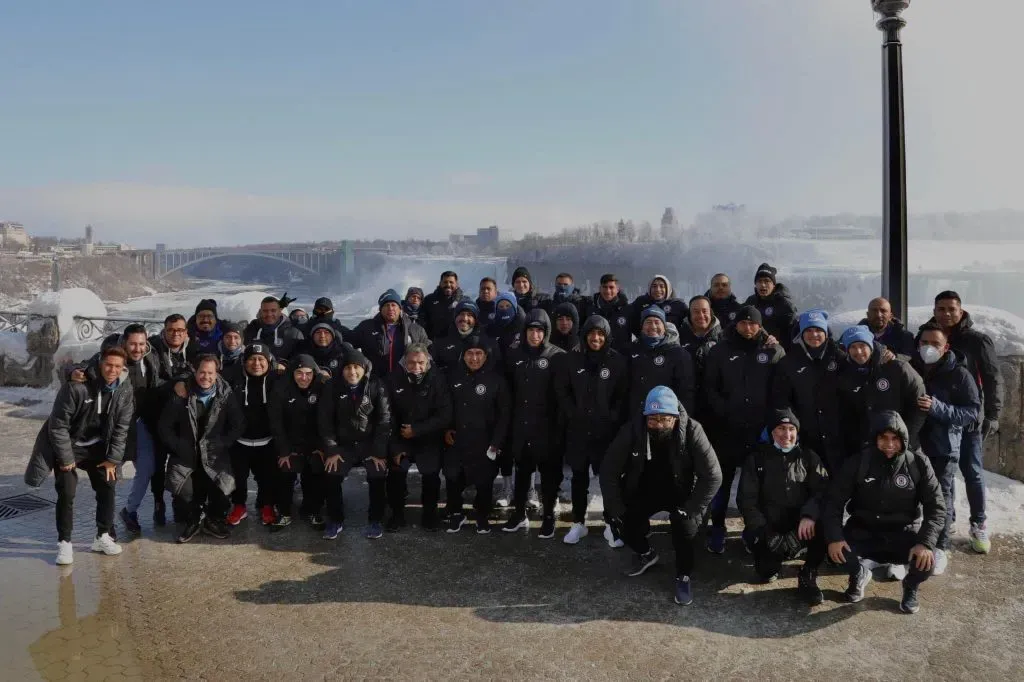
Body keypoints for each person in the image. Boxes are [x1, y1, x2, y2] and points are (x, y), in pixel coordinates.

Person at [601, 386, 722, 606]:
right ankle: (646, 553)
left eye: (665, 419)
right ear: (644, 416)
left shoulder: (694, 430)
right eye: (653, 420)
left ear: (675, 416)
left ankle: (683, 575)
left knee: (685, 529)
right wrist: (616, 506)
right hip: (644, 488)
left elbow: (713, 475)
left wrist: (692, 507)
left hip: (682, 491)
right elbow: (608, 470)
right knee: (619, 518)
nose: (659, 425)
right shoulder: (632, 430)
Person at [825, 411, 945, 614]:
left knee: (927, 561)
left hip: (903, 533)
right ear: (875, 438)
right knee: (834, 552)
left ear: (904, 440)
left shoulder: (918, 464)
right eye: (883, 438)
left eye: (895, 439)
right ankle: (858, 574)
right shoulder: (858, 462)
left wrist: (925, 543)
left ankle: (910, 587)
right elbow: (833, 503)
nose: (889, 444)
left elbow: (937, 507)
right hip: (864, 531)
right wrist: (835, 538)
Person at [26, 347, 134, 565]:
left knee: (108, 484)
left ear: (123, 368)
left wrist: (113, 459)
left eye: (117, 366)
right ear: (100, 364)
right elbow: (57, 426)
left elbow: (122, 427)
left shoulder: (124, 389)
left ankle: (102, 536)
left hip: (98, 448)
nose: (112, 370)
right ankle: (64, 543)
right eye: (108, 365)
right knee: (67, 490)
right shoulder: (77, 386)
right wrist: (66, 458)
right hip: (71, 445)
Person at [703, 306, 785, 553]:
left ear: (760, 326)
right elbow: (709, 389)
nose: (748, 328)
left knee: (757, 486)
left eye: (753, 323)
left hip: (759, 431)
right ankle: (717, 527)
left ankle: (754, 531)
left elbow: (780, 390)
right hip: (727, 430)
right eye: (744, 323)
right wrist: (726, 412)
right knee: (721, 482)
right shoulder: (720, 350)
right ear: (736, 325)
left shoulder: (771, 350)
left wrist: (770, 421)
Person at [929, 290, 1003, 554]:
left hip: (968, 419)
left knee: (971, 472)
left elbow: (993, 378)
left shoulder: (976, 341)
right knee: (941, 475)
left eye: (951, 308)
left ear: (961, 311)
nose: (946, 313)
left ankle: (979, 522)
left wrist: (993, 414)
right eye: (941, 309)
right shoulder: (929, 335)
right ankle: (945, 520)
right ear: (935, 310)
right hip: (939, 420)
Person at [911, 322, 981, 574]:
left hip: (943, 448)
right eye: (924, 343)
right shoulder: (911, 367)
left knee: (940, 498)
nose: (929, 348)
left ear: (946, 347)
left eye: (935, 344)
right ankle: (911, 544)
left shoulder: (959, 374)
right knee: (912, 496)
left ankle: (940, 547)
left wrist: (937, 408)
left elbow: (972, 412)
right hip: (915, 447)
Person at [738, 409, 828, 604]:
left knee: (825, 524)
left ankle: (808, 574)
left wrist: (809, 516)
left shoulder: (809, 457)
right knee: (765, 572)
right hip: (770, 527)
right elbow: (747, 500)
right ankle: (774, 558)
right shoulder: (757, 459)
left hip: (801, 526)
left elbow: (822, 492)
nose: (786, 435)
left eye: (790, 429)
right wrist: (766, 532)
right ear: (772, 433)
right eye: (780, 429)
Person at [557, 315, 628, 546]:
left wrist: (612, 417)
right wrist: (572, 414)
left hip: (606, 432)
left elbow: (622, 395)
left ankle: (611, 524)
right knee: (579, 477)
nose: (595, 338)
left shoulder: (617, 361)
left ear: (606, 336)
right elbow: (563, 391)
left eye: (600, 334)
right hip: (578, 431)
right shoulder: (571, 360)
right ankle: (579, 522)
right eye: (591, 333)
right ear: (585, 335)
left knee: (608, 478)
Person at [159, 354, 245, 544]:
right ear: (195, 372)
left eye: (210, 373)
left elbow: (237, 425)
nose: (205, 377)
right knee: (183, 492)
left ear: (217, 373)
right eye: (202, 372)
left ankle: (212, 520)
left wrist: (222, 443)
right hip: (186, 455)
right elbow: (164, 427)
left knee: (223, 490)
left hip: (214, 455)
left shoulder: (226, 394)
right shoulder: (182, 393)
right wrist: (179, 446)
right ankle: (194, 519)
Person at [502, 309, 567, 537]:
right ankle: (519, 514)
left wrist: (559, 429)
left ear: (546, 332)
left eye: (540, 330)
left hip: (547, 428)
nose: (535, 334)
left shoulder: (557, 356)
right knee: (522, 472)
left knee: (549, 476)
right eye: (531, 329)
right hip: (521, 426)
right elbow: (507, 392)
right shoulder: (514, 355)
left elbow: (563, 397)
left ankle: (548, 516)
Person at [317, 346, 392, 539]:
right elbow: (324, 421)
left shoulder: (376, 385)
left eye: (356, 367)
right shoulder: (332, 387)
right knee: (331, 473)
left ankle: (375, 520)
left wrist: (379, 452)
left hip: (369, 444)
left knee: (378, 473)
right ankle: (335, 519)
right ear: (342, 370)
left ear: (364, 369)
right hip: (343, 445)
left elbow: (384, 420)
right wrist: (332, 450)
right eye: (348, 367)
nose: (352, 372)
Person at [443, 335, 511, 534]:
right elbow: (443, 407)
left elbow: (504, 414)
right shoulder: (452, 377)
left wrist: (497, 442)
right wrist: (446, 429)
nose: (474, 358)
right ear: (463, 356)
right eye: (470, 354)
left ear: (486, 356)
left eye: (478, 354)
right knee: (453, 476)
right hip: (457, 439)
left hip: (486, 441)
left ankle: (482, 516)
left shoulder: (496, 380)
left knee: (484, 480)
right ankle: (456, 514)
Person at [387, 345, 453, 532]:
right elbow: (387, 417)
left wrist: (417, 430)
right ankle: (397, 515)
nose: (416, 367)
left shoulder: (438, 379)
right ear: (404, 363)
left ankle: (430, 514)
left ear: (428, 363)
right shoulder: (393, 379)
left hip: (428, 436)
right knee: (396, 472)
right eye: (411, 363)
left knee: (431, 475)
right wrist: (394, 447)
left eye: (421, 363)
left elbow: (445, 415)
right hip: (401, 437)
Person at [772, 310, 846, 474]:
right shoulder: (788, 363)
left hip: (839, 437)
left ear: (826, 333)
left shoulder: (840, 358)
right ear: (801, 333)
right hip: (806, 437)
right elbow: (781, 399)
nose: (814, 334)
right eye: (809, 330)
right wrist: (791, 427)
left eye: (819, 330)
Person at [109, 325, 166, 535]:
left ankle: (130, 510)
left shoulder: (150, 358)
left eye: (142, 344)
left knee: (146, 468)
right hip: (115, 426)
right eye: (133, 343)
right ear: (124, 342)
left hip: (141, 424)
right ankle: (106, 523)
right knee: (110, 473)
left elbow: (158, 381)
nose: (138, 348)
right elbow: (90, 368)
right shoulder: (113, 359)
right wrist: (74, 371)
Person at [836, 325, 926, 457]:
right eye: (853, 347)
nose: (859, 351)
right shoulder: (846, 375)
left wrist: (903, 438)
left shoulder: (897, 367)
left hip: (903, 446)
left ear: (871, 346)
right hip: (868, 449)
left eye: (862, 345)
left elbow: (920, 405)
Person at [268, 354, 328, 531]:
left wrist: (320, 448)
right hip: (290, 443)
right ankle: (284, 512)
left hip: (314, 443)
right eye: (299, 373)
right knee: (285, 470)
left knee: (316, 468)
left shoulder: (322, 388)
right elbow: (276, 423)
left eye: (308, 373)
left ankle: (312, 510)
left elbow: (325, 422)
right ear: (292, 373)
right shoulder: (281, 389)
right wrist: (285, 450)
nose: (304, 378)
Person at [225, 343, 280, 528]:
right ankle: (239, 506)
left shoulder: (277, 379)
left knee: (268, 477)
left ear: (268, 361)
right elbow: (206, 375)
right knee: (238, 477)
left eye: (261, 359)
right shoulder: (233, 378)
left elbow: (303, 370)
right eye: (251, 359)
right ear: (244, 362)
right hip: (240, 441)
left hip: (267, 441)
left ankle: (266, 505)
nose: (256, 363)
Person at [628, 306, 695, 422]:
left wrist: (681, 419)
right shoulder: (630, 351)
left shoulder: (679, 354)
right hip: (636, 419)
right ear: (642, 327)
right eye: (648, 322)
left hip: (666, 420)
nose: (653, 326)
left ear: (664, 327)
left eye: (657, 322)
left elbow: (687, 392)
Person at [348, 288, 430, 379]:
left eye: (393, 305)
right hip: (376, 381)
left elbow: (429, 352)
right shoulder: (366, 327)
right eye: (386, 305)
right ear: (380, 309)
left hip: (405, 382)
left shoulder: (415, 329)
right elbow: (348, 344)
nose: (390, 308)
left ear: (400, 308)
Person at [431, 300, 497, 375]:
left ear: (475, 320)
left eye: (469, 315)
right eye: (461, 314)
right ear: (455, 316)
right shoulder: (442, 338)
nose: (465, 318)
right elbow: (433, 367)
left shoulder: (485, 340)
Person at [744, 263, 798, 350]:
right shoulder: (751, 301)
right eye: (759, 281)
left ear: (773, 285)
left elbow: (792, 333)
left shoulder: (784, 304)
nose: (763, 285)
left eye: (767, 281)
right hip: (754, 350)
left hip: (778, 351)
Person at [243, 294, 303, 364]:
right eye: (265, 311)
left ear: (280, 311)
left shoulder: (293, 334)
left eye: (273, 310)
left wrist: (284, 365)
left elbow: (300, 361)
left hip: (281, 374)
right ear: (260, 312)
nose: (269, 314)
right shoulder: (250, 330)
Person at [583, 273, 632, 355]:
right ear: (600, 288)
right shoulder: (590, 308)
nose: (608, 291)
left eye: (611, 287)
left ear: (618, 289)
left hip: (621, 357)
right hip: (596, 355)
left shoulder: (627, 309)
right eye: (604, 287)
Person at [421, 271, 465, 340]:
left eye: (451, 282)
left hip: (457, 343)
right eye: (445, 282)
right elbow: (422, 322)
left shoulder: (464, 301)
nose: (448, 285)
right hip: (433, 344)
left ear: (457, 284)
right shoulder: (429, 300)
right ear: (440, 283)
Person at [150, 313, 191, 381]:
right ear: (164, 331)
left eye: (180, 330)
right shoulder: (153, 348)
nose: (175, 334)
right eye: (171, 330)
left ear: (185, 332)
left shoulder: (192, 347)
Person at [487, 291, 526, 357]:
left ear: (514, 307)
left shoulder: (524, 326)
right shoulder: (492, 327)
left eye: (508, 306)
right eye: (501, 307)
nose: (505, 309)